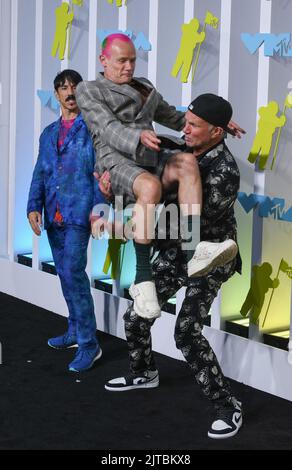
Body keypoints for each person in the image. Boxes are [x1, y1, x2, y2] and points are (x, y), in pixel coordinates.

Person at [104, 93, 244, 439]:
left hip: (208, 255)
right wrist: (112, 191)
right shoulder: (172, 146)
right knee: (136, 316)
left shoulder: (225, 171)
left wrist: (136, 214)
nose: (186, 129)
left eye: (194, 126)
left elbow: (181, 222)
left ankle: (228, 406)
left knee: (186, 331)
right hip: (173, 251)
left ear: (217, 132)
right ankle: (144, 372)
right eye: (186, 121)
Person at [76, 33, 241, 322]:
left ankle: (194, 254)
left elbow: (174, 117)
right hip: (117, 160)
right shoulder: (89, 90)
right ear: (103, 60)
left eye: (132, 60)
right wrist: (137, 134)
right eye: (121, 61)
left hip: (150, 156)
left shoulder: (145, 87)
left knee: (187, 162)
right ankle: (143, 280)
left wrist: (217, 122)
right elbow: (107, 128)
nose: (128, 67)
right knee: (150, 186)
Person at [27, 69, 104, 372]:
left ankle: (89, 344)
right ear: (56, 94)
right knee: (64, 274)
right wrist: (33, 205)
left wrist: (100, 209)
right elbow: (40, 172)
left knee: (73, 272)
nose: (70, 93)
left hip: (79, 212)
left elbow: (101, 173)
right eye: (63, 88)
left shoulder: (93, 129)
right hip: (52, 212)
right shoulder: (48, 133)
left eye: (74, 87)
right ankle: (74, 329)